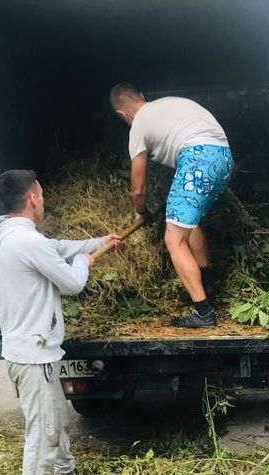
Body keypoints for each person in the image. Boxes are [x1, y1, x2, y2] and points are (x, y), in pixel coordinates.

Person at [0, 170, 120, 475]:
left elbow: (56, 247)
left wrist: (98, 241)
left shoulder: (10, 235)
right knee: (43, 431)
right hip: (34, 354)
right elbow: (73, 283)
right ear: (33, 198)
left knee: (55, 417)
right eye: (41, 195)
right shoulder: (27, 242)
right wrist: (84, 262)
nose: (43, 200)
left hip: (30, 351)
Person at [109, 83, 234, 328]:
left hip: (197, 157)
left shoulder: (138, 125)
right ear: (141, 96)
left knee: (173, 239)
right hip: (223, 158)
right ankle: (206, 285)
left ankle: (203, 313)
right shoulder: (168, 103)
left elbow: (138, 188)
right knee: (189, 222)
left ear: (121, 114)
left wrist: (140, 213)